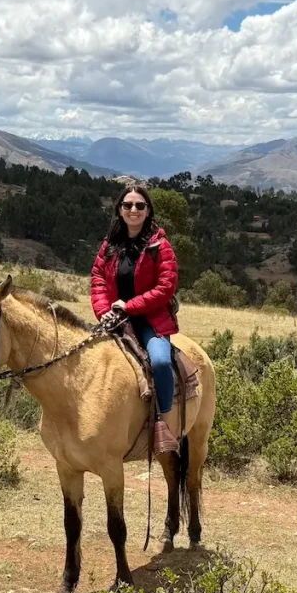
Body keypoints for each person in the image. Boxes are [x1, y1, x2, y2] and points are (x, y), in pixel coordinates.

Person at [91, 185, 180, 454]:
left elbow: (166, 287)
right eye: (128, 205)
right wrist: (103, 310)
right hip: (115, 319)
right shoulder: (109, 246)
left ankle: (165, 423)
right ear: (119, 210)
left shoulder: (160, 246)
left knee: (162, 361)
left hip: (151, 320)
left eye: (139, 206)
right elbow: (97, 280)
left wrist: (129, 306)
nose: (133, 210)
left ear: (148, 210)